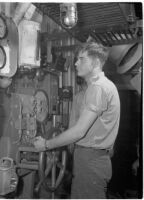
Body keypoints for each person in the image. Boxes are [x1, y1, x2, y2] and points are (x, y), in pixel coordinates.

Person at [33, 41, 120, 199]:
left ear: (95, 62)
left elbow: (79, 131)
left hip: (90, 162)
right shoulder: (104, 86)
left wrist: (46, 144)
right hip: (93, 160)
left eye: (81, 59)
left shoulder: (98, 88)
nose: (76, 62)